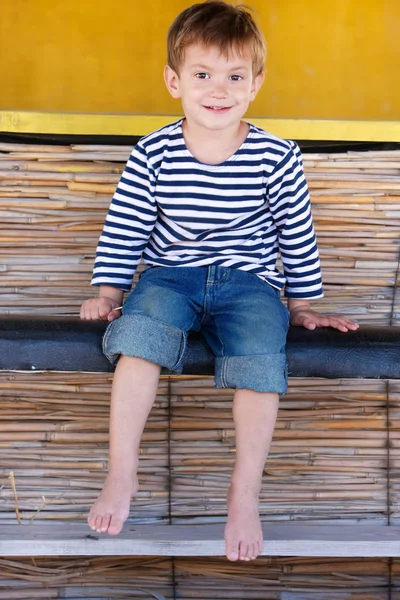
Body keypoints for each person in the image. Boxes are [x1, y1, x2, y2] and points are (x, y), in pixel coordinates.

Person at [80, 0, 358, 562]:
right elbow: (126, 226)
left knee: (261, 351)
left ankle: (244, 493)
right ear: (174, 80)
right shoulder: (153, 154)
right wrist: (109, 293)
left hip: (248, 285)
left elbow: (295, 234)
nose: (218, 89)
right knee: (138, 340)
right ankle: (122, 474)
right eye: (202, 74)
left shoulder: (276, 156)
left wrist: (303, 303)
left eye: (235, 76)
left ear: (255, 83)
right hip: (170, 279)